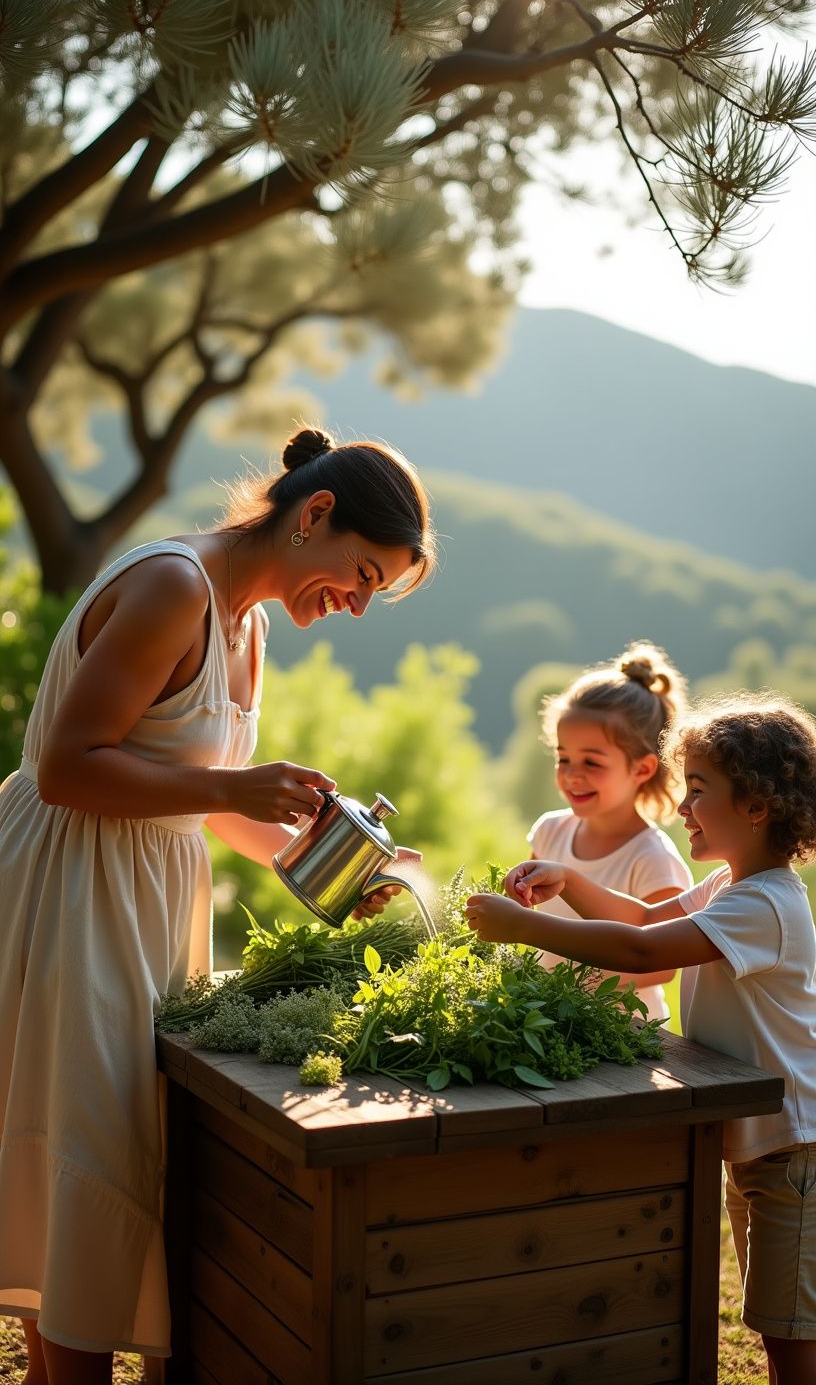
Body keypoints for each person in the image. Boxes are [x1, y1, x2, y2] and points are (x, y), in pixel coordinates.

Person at [0, 425, 436, 1385]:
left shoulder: (250, 621)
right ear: (314, 515)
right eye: (363, 574)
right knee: (90, 1146)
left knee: (112, 1144)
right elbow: (69, 769)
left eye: (378, 591)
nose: (360, 605)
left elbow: (209, 793)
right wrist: (234, 793)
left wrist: (326, 869)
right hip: (70, 886)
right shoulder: (173, 588)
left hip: (144, 890)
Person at [466, 694, 816, 1385]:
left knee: (792, 1335)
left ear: (756, 807)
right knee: (776, 1321)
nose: (682, 808)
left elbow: (637, 950)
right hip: (764, 1145)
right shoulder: (728, 885)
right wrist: (569, 882)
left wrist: (527, 926)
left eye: (699, 792)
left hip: (795, 1148)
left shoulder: (764, 903)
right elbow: (640, 914)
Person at [524, 641, 691, 1019]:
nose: (572, 774)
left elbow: (663, 965)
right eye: (563, 757)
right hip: (545, 1019)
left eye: (592, 762)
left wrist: (567, 988)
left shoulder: (653, 859)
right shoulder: (549, 832)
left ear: (642, 769)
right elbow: (529, 917)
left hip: (621, 1035)